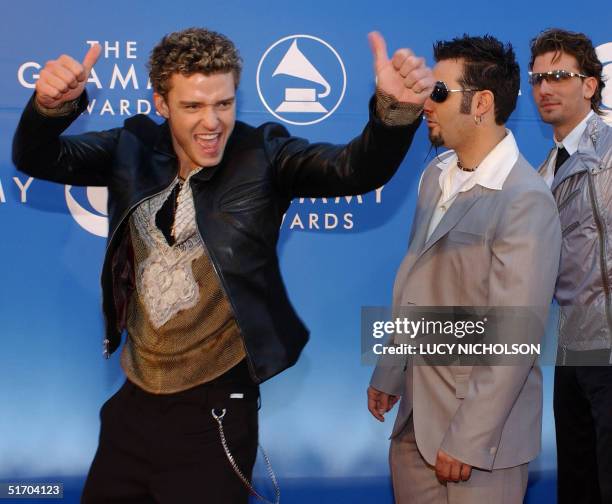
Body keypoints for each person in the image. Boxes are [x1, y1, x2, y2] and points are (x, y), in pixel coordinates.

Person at [12, 28, 433, 503]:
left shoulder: (265, 156)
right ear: (161, 103)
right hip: (132, 406)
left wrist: (394, 115)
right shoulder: (131, 147)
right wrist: (50, 109)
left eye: (224, 104)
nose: (212, 122)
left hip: (214, 413)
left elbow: (356, 169)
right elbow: (36, 156)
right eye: (193, 106)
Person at [367, 35, 561, 503]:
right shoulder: (436, 176)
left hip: (478, 443)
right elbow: (417, 280)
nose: (425, 104)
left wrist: (469, 437)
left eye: (438, 92)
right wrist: (392, 369)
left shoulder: (525, 199)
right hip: (414, 419)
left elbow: (515, 335)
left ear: (482, 103)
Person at [529, 28, 612, 504]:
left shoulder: (607, 153)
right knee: (579, 485)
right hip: (573, 348)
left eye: (559, 75)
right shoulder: (544, 170)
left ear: (590, 84)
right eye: (538, 78)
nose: (546, 88)